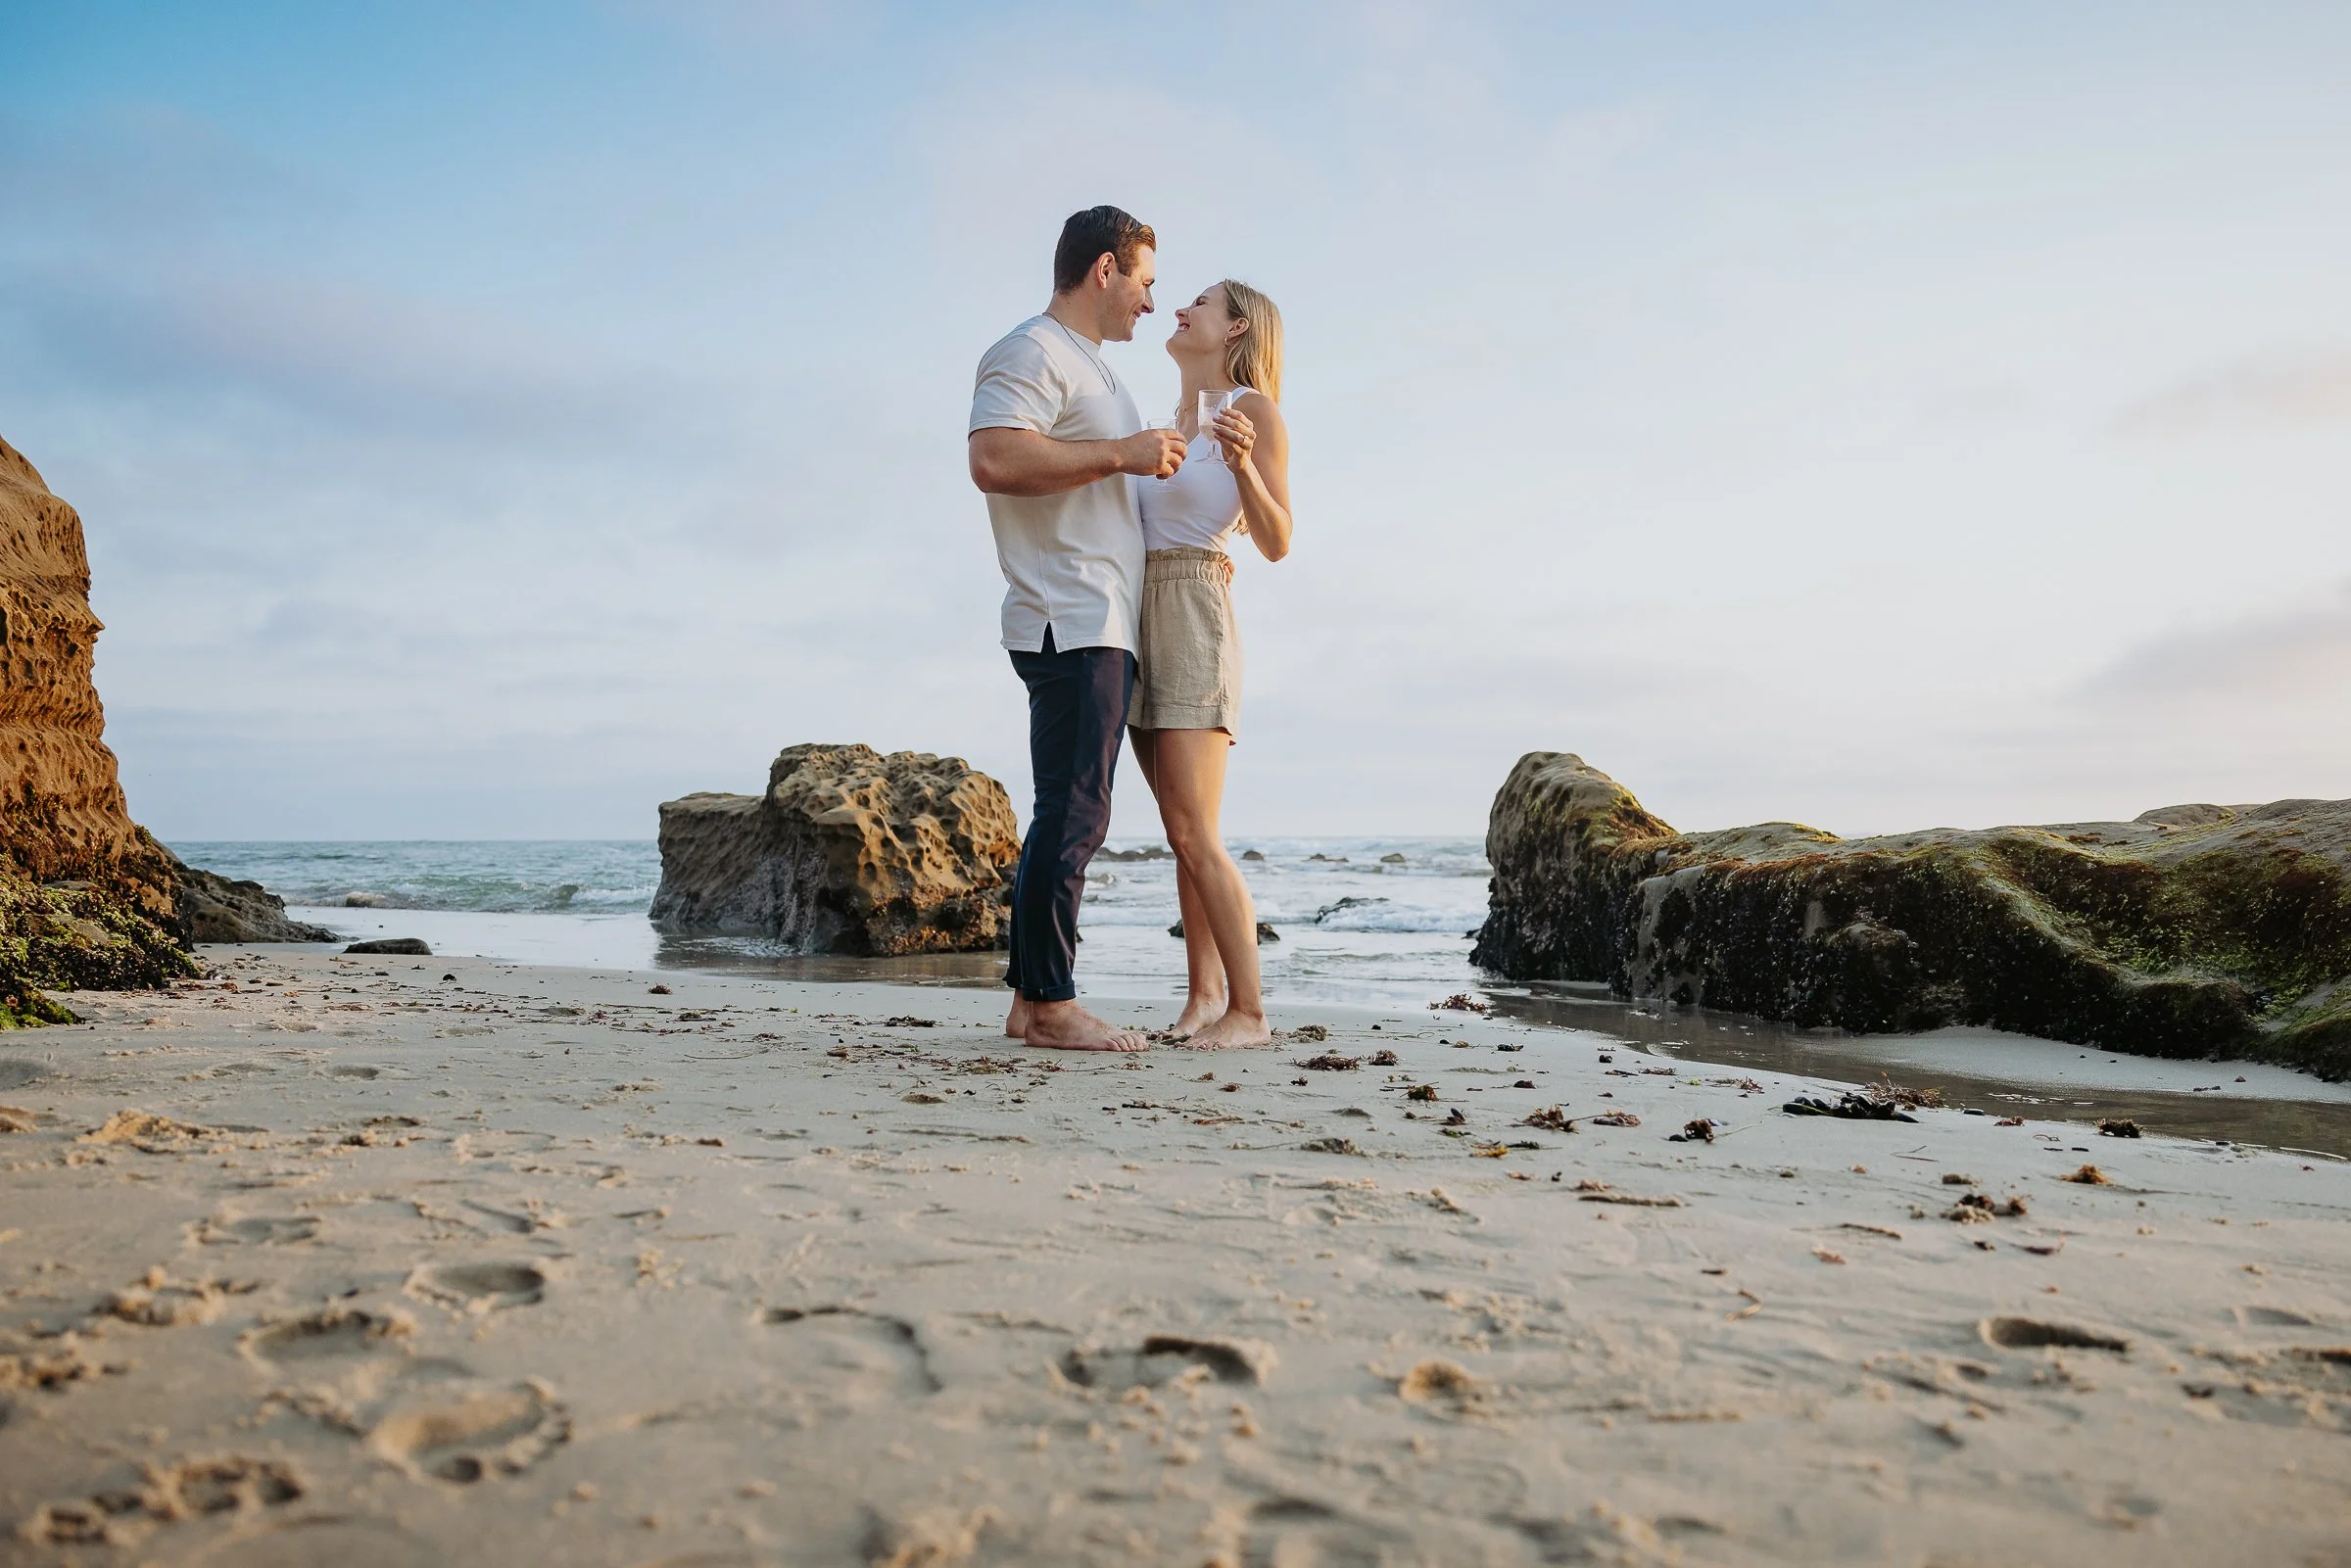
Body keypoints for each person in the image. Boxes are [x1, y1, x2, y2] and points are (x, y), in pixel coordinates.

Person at [967, 206, 1187, 1052]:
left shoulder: (1093, 367)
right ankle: (1053, 1005)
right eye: (1145, 280)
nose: (1149, 301)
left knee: (1069, 808)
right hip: (1069, 614)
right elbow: (992, 458)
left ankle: (1030, 1003)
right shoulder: (1030, 351)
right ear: (1105, 269)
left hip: (1100, 616)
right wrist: (1121, 455)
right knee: (1076, 812)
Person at [1128, 280, 1293, 1049]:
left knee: (1197, 828)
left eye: (1200, 301)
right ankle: (1202, 997)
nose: (1179, 309)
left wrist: (1248, 466)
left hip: (1196, 604)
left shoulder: (1252, 412)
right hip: (1139, 609)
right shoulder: (1168, 424)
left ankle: (1250, 1012)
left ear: (1236, 329)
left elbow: (1278, 538)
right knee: (1178, 828)